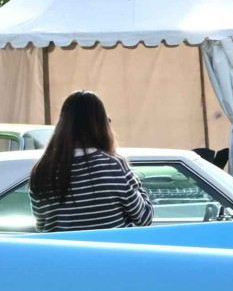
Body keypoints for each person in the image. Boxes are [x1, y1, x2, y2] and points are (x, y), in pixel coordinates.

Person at [27, 91, 154, 232]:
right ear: (101, 125)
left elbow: (41, 226)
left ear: (62, 125)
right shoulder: (114, 165)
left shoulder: (42, 170)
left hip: (61, 247)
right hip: (109, 246)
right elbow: (144, 218)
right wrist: (136, 183)